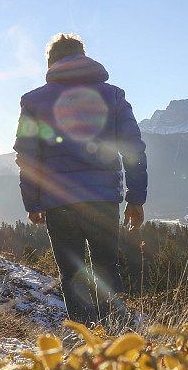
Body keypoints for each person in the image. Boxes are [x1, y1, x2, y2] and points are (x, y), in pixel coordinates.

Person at [14, 33, 147, 327]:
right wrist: (136, 198)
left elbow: (27, 156)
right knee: (106, 269)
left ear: (50, 63)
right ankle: (115, 344)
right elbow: (133, 148)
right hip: (102, 201)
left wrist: (33, 201)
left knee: (72, 275)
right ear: (83, 56)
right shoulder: (113, 95)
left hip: (58, 203)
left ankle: (83, 346)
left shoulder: (33, 101)